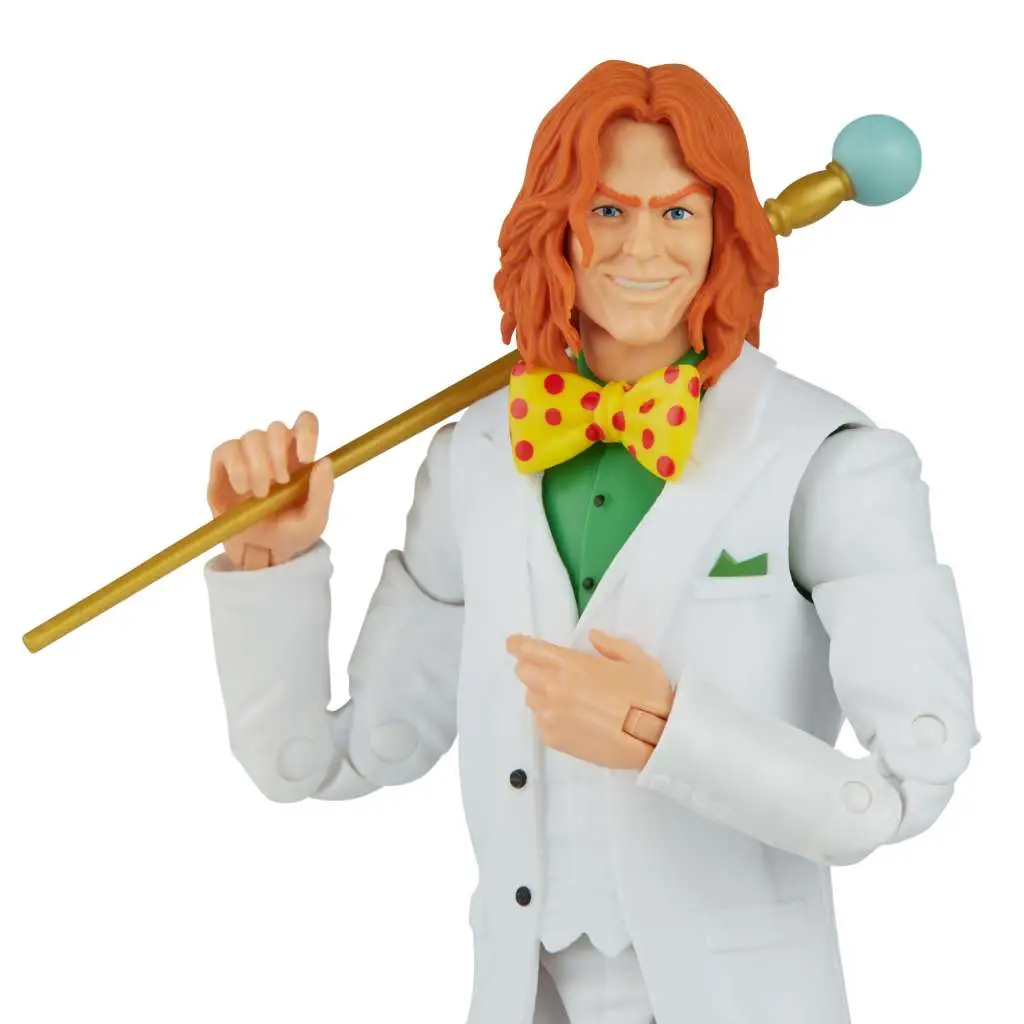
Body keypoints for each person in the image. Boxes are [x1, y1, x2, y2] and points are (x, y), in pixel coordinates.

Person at [203, 60, 977, 1024]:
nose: (641, 248)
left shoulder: (831, 461)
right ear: (554, 229)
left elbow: (909, 785)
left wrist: (667, 734)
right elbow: (331, 759)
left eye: (678, 212)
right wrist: (269, 565)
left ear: (727, 230)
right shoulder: (477, 456)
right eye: (607, 211)